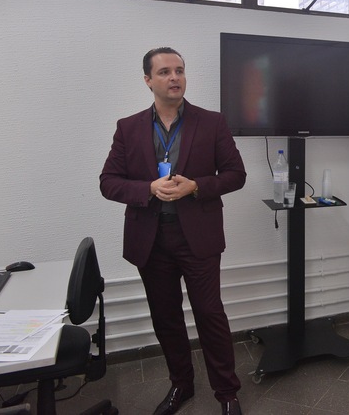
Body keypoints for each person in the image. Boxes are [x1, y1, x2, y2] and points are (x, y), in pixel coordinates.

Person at [100, 47, 246, 415]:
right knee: (166, 318)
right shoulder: (128, 127)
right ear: (148, 80)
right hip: (151, 240)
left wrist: (196, 186)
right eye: (164, 72)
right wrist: (148, 188)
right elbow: (108, 182)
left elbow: (236, 175)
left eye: (179, 70)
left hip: (198, 237)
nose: (175, 77)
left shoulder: (212, 122)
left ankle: (227, 393)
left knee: (210, 315)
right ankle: (182, 384)